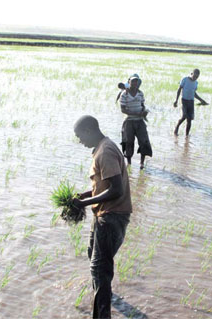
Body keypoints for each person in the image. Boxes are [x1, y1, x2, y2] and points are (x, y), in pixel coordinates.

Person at [72, 115, 132, 319]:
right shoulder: (101, 148)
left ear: (89, 130)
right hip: (104, 213)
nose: (80, 141)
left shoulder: (105, 151)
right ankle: (104, 296)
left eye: (80, 137)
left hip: (112, 216)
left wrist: (83, 204)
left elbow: (117, 190)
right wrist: (85, 195)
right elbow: (103, 186)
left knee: (100, 269)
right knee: (94, 257)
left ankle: (102, 314)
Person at [119, 74, 152, 169]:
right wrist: (136, 114)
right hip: (129, 121)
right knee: (128, 142)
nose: (134, 83)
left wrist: (144, 112)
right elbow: (123, 109)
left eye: (136, 81)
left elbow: (142, 105)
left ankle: (141, 163)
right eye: (133, 81)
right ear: (129, 82)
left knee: (144, 141)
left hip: (140, 121)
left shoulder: (140, 93)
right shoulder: (124, 94)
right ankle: (129, 163)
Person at [173, 69, 208, 136]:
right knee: (184, 116)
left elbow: (194, 93)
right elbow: (179, 89)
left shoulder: (196, 83)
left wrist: (201, 100)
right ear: (191, 74)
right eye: (194, 76)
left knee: (189, 120)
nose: (195, 78)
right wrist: (176, 100)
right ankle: (177, 127)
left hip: (191, 101)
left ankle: (187, 136)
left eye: (197, 77)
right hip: (184, 100)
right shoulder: (185, 79)